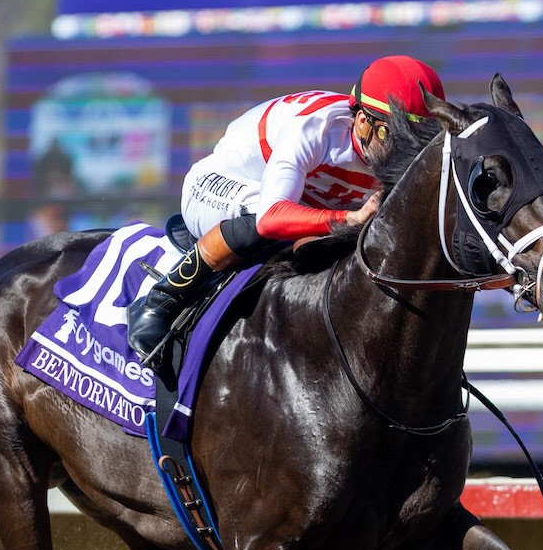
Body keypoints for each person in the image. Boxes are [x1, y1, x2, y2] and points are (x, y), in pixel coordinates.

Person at [125, 54, 446, 363]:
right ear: (363, 123)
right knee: (279, 229)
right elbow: (271, 219)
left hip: (294, 200)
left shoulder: (382, 140)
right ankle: (161, 301)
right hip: (220, 185)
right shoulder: (315, 128)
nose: (409, 153)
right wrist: (349, 217)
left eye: (419, 140)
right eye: (399, 138)